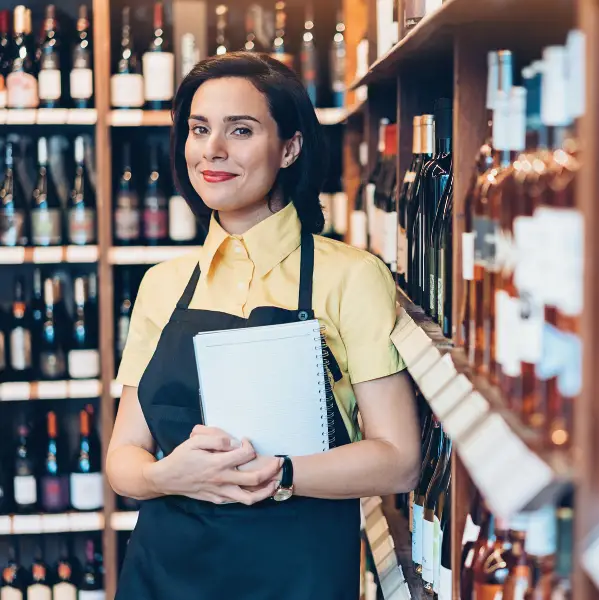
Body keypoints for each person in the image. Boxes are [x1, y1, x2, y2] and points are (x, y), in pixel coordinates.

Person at [107, 52, 420, 599]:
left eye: (241, 130)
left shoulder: (350, 275)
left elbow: (398, 460)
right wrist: (165, 477)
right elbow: (123, 457)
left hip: (297, 577)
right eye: (199, 129)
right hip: (165, 574)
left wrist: (280, 473)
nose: (213, 150)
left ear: (290, 147)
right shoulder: (163, 283)